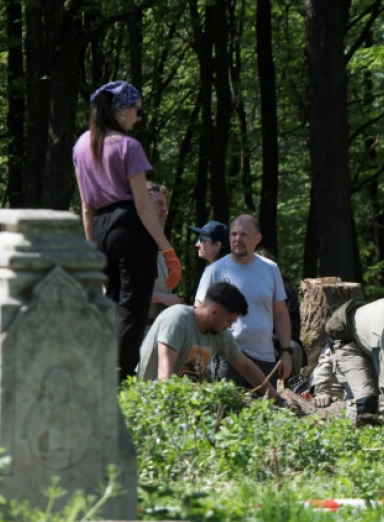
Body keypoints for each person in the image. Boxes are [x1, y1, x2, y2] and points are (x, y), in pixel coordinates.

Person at [73, 80, 181, 380]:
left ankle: (95, 370)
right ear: (121, 111)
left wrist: (90, 250)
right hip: (130, 228)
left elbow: (86, 206)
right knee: (131, 308)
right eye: (136, 110)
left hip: (100, 229)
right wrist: (167, 248)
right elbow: (144, 207)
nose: (138, 117)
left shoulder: (81, 145)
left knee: (108, 303)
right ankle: (118, 379)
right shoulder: (128, 146)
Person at [194, 214, 292, 387]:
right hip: (228, 356)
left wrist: (285, 351)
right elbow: (199, 312)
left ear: (258, 238)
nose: (237, 239)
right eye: (234, 234)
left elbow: (281, 313)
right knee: (225, 411)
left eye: (244, 234)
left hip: (265, 357)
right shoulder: (214, 270)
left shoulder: (270, 269)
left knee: (265, 411)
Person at [136, 283, 279, 398]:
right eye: (229, 320)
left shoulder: (220, 334)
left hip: (185, 404)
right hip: (150, 399)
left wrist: (275, 398)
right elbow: (164, 376)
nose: (229, 326)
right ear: (214, 312)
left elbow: (245, 366)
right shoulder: (177, 320)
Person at [147, 182, 182, 324]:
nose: (165, 209)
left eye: (165, 204)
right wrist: (163, 298)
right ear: (144, 205)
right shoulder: (130, 242)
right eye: (159, 204)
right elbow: (122, 291)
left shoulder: (158, 245)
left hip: (154, 329)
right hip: (133, 330)